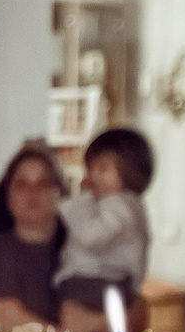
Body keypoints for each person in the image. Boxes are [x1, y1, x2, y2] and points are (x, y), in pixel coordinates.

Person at [0, 141, 68, 331]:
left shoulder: (81, 253)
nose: (32, 192)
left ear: (58, 192)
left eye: (42, 183)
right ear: (8, 195)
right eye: (21, 185)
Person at [56, 127, 154, 299]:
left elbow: (91, 236)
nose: (93, 176)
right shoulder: (126, 204)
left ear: (129, 170)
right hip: (107, 282)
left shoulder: (121, 205)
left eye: (102, 168)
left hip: (103, 282)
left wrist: (81, 200)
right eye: (90, 168)